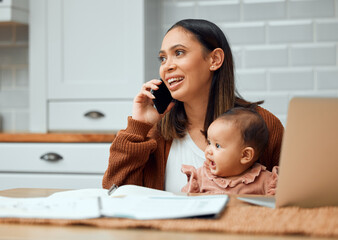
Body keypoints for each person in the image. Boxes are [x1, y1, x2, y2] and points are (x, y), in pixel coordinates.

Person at [102, 19, 284, 193]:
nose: (167, 67)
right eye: (163, 58)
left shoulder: (264, 126)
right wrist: (138, 127)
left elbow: (292, 199)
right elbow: (114, 193)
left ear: (215, 60)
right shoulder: (156, 133)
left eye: (179, 53)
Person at [181, 107, 278, 195]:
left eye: (217, 145)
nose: (208, 151)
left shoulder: (266, 181)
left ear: (245, 155)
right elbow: (184, 204)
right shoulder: (201, 177)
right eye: (209, 142)